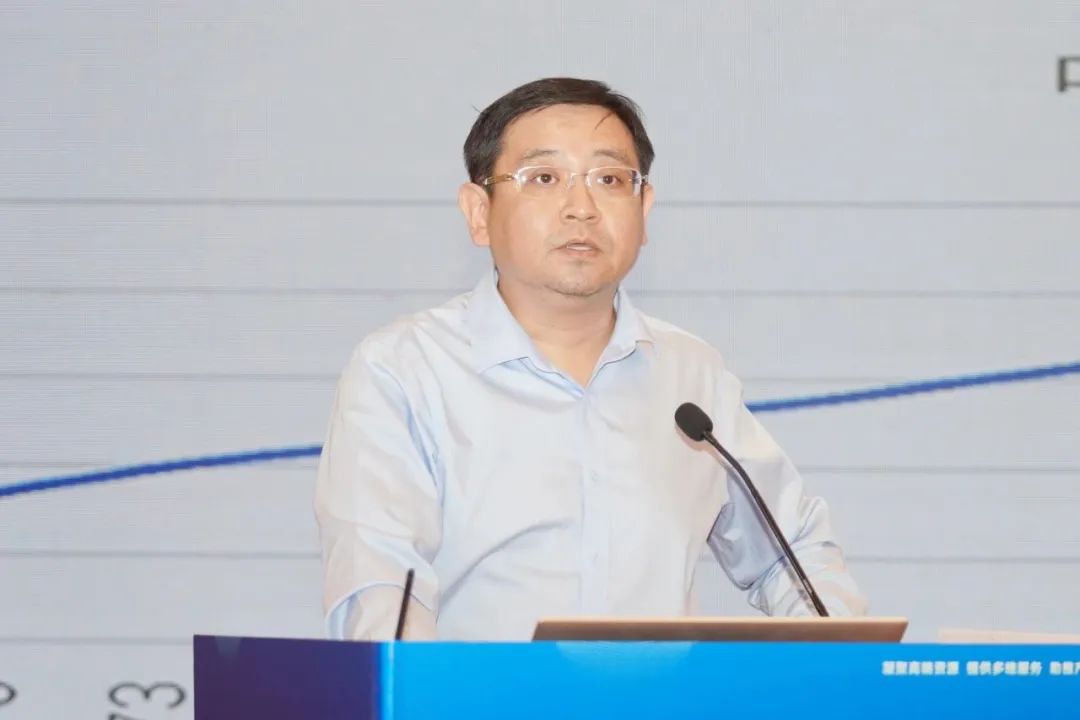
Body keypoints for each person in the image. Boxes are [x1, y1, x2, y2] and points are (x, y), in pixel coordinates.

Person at [314, 77, 868, 641]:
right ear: (479, 212)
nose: (581, 208)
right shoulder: (404, 370)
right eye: (543, 178)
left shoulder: (690, 374)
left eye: (610, 180)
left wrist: (848, 661)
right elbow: (379, 586)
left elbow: (790, 555)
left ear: (643, 208)